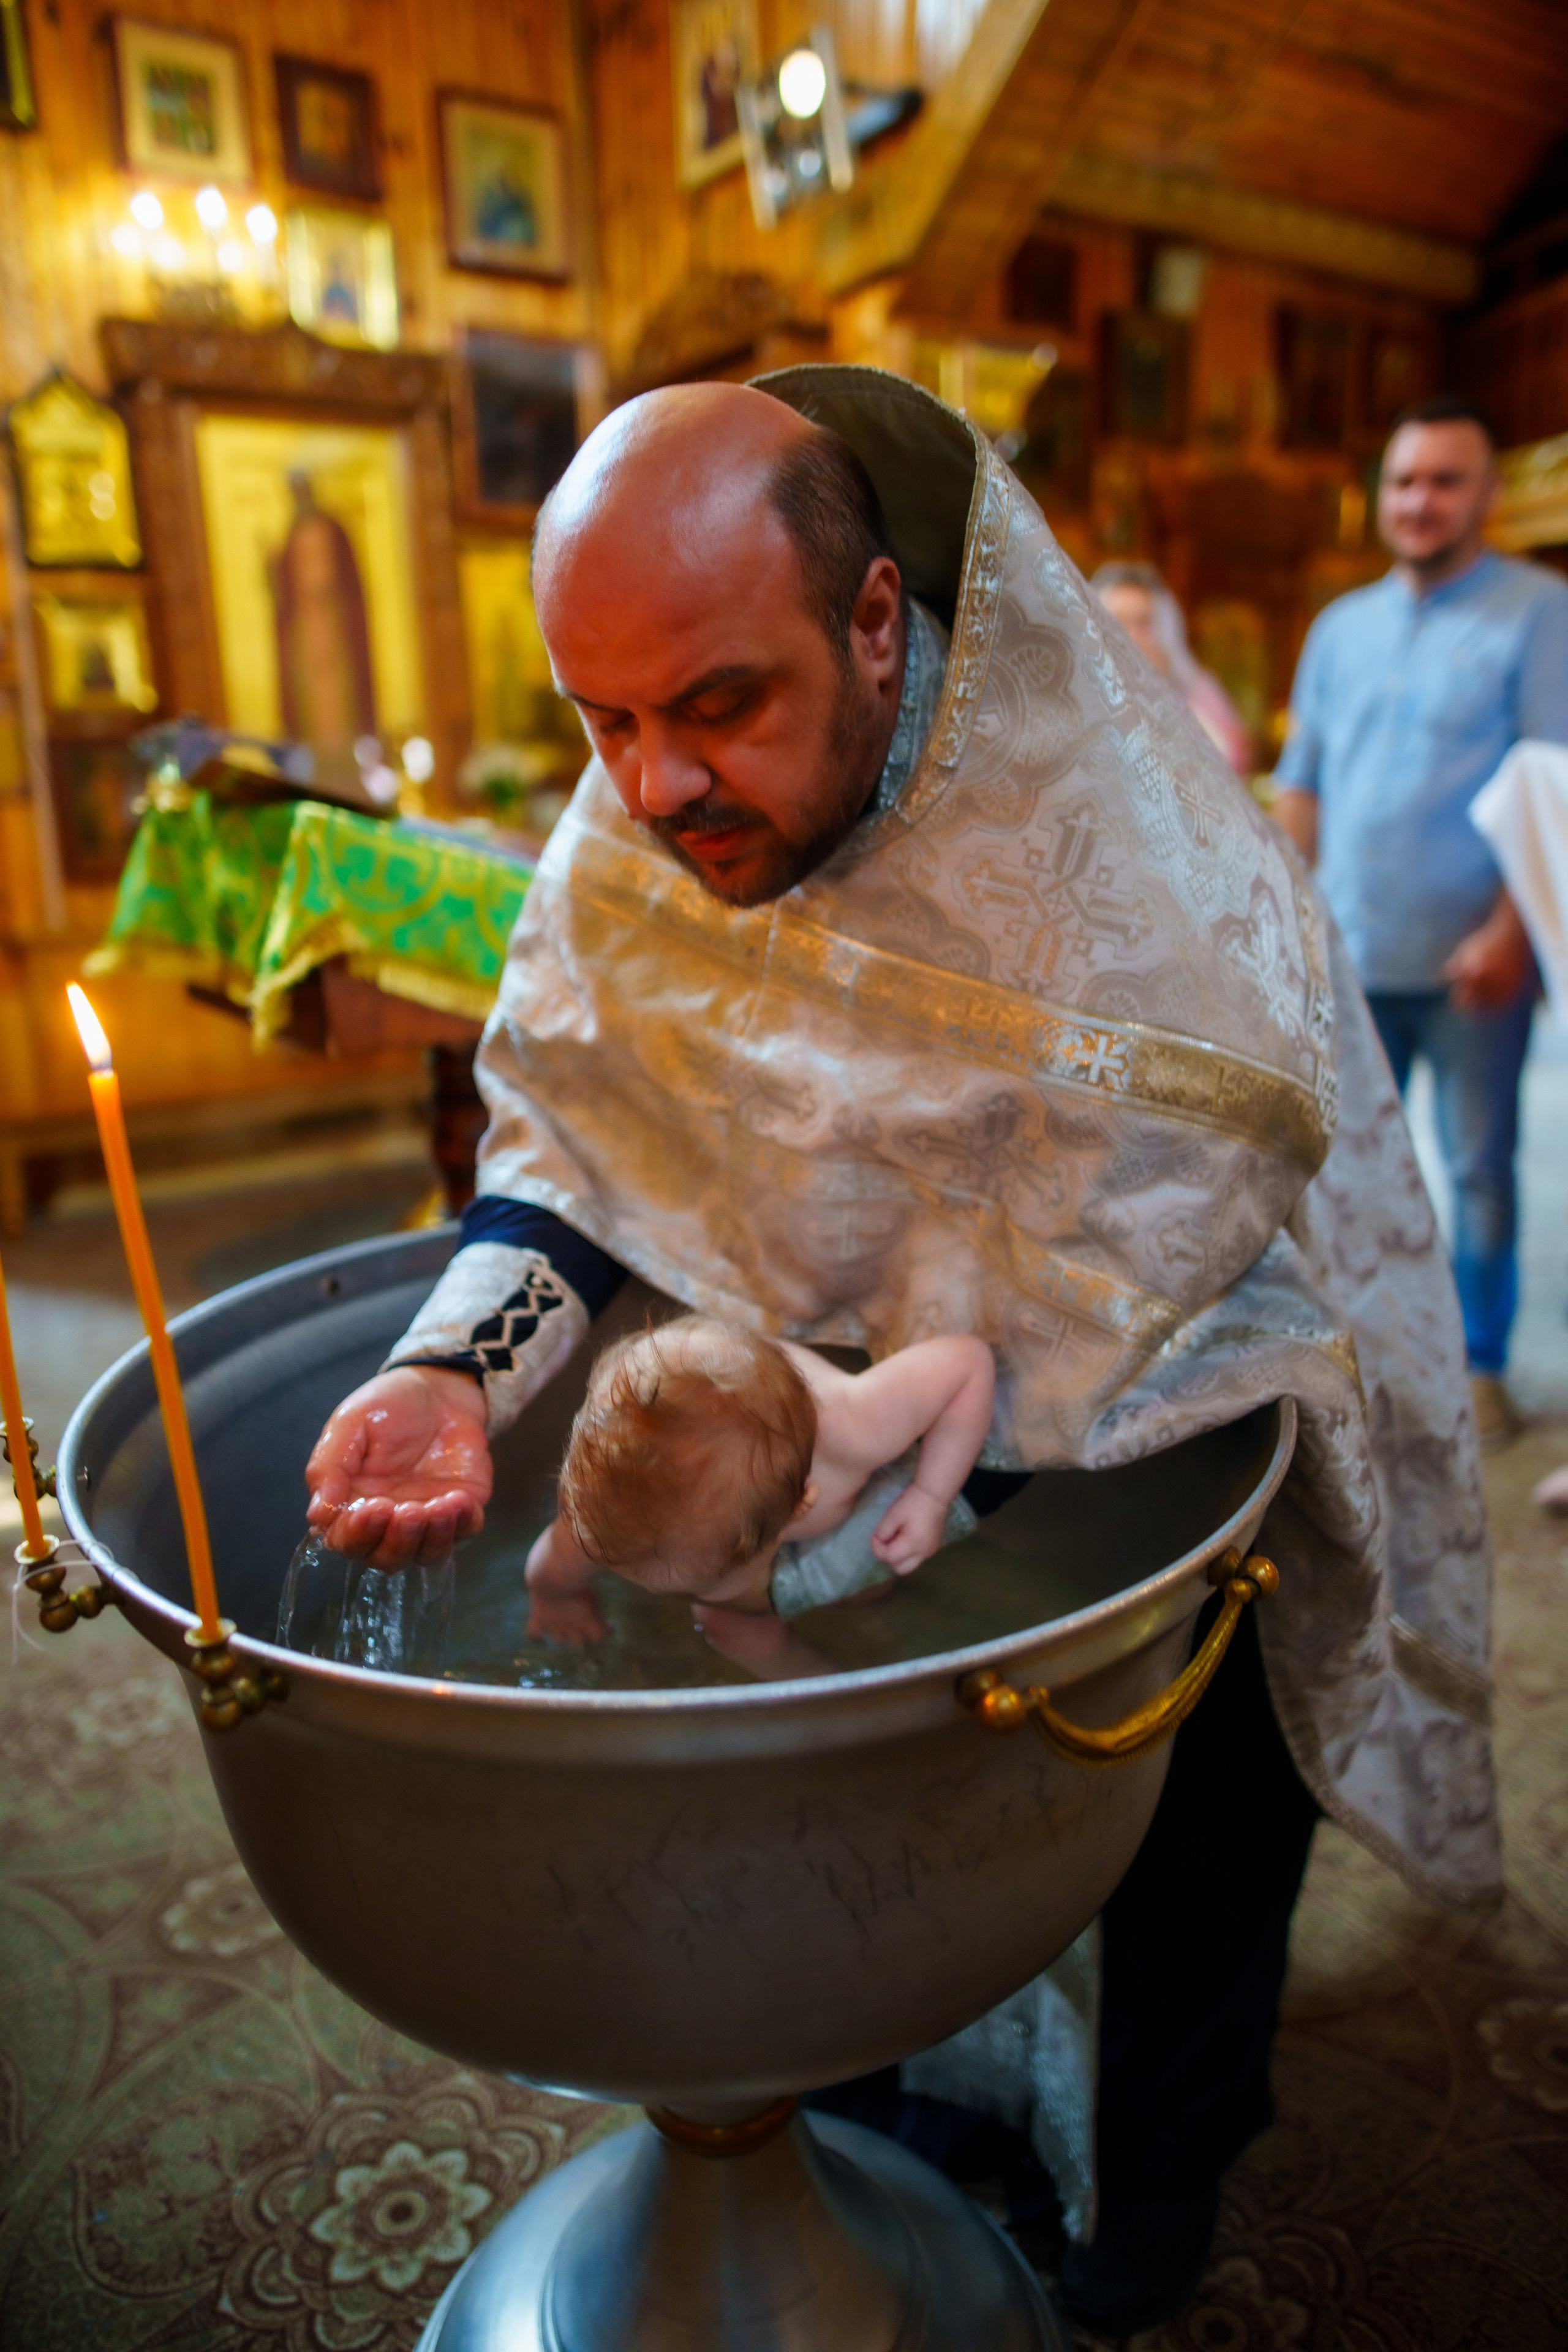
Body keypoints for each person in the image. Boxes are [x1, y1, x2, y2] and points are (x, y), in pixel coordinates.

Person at [304, 370, 1497, 2333]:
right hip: (833, 1437)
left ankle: (1152, 2182)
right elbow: (584, 1150)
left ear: (873, 620)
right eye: (601, 719)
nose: (656, 787)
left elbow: (1169, 1226)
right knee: (845, 1830)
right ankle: (882, 2124)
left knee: (1154, 1836)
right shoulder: (638, 819)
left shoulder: (1104, 841)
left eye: (716, 705)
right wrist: (456, 1366)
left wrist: (881, 1420)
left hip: (1160, 1426)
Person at [1272, 396, 1568, 1449]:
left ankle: (1482, 1367)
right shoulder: (1341, 625)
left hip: (1474, 962)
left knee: (1479, 1168)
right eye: (1404, 482)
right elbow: (1301, 782)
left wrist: (1514, 934)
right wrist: (1281, 913)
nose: (1421, 501)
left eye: (1446, 480)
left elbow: (1553, 784)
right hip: (1351, 955)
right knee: (1348, 1173)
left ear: (1487, 495)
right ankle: (1375, 1361)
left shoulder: (1538, 612)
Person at [522, 1314, 995, 1667]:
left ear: (798, 1508)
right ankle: (809, 1690)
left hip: (839, 1465)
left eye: (702, 1586)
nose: (689, 1600)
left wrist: (931, 1496)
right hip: (732, 1474)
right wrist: (556, 1598)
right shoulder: (615, 1502)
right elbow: (557, 1562)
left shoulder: (858, 1427)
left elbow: (968, 1360)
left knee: (870, 1575)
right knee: (725, 1621)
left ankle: (844, 1698)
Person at [1090, 559, 1253, 774]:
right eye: (1118, 622)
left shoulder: (1196, 693)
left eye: (1144, 623)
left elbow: (1231, 761)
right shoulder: (1079, 695)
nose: (1131, 637)